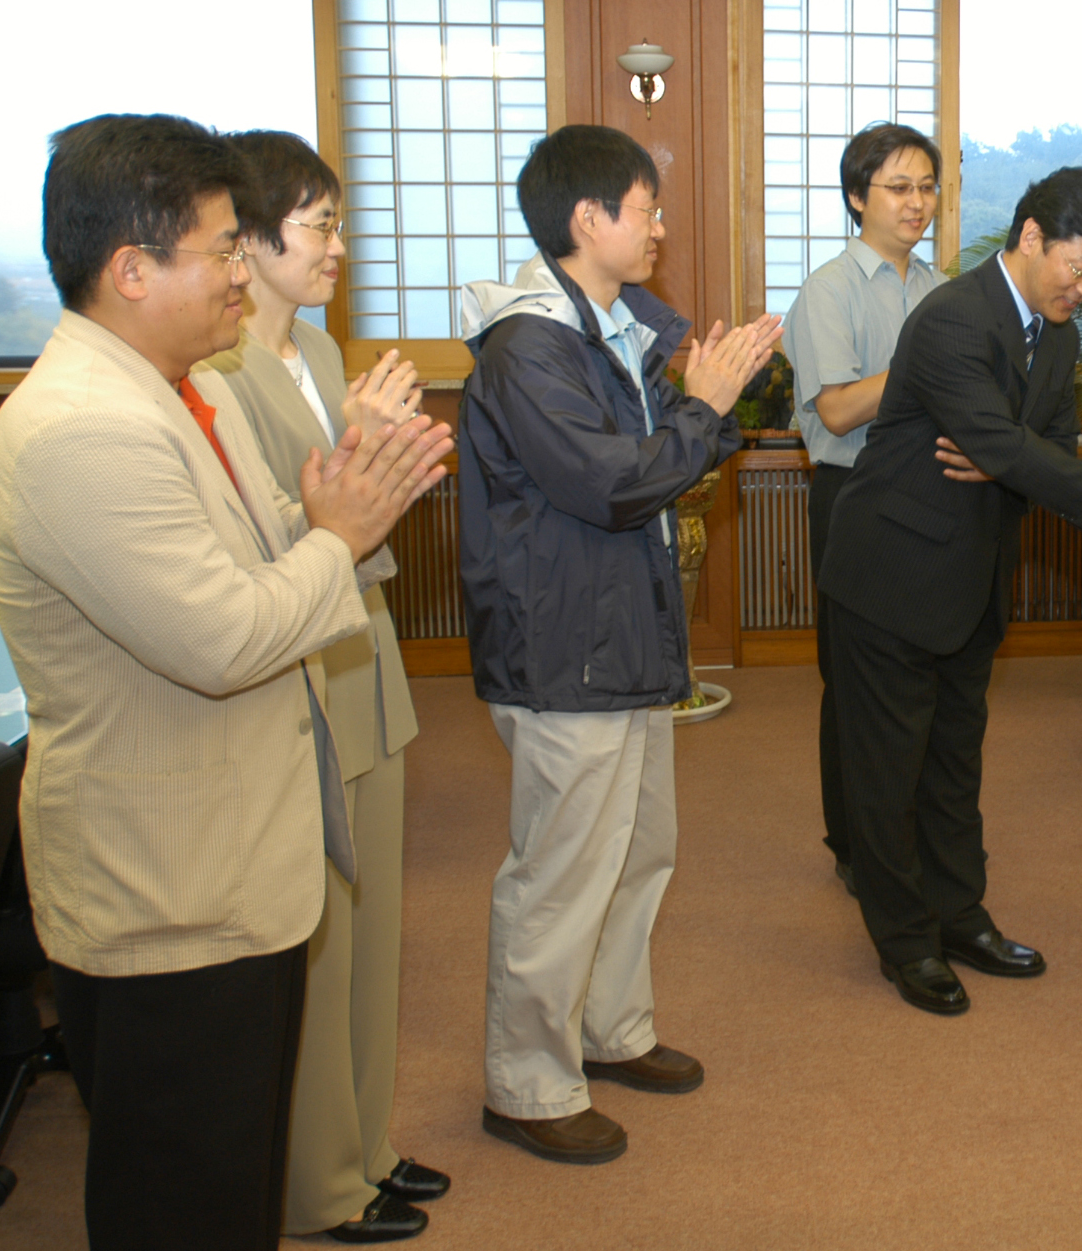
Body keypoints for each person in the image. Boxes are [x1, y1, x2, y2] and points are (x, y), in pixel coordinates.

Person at [0, 113, 452, 1249]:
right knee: (181, 1196)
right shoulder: (82, 429)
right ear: (131, 270)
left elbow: (256, 544)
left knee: (230, 1180)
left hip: (238, 871)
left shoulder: (177, 389)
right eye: (219, 248)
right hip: (167, 897)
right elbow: (230, 636)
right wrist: (337, 534)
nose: (244, 270)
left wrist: (330, 499)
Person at [457, 124, 780, 1164]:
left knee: (639, 854)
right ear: (587, 220)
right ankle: (527, 1084)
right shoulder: (529, 347)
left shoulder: (605, 328)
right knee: (560, 874)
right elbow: (613, 485)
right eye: (646, 209)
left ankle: (609, 1031)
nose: (661, 226)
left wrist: (712, 403)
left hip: (623, 643)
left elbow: (659, 456)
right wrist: (706, 404)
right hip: (565, 652)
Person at [818, 167, 1082, 1015]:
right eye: (1079, 267)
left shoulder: (1062, 331)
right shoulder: (952, 318)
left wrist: (1005, 454)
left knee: (955, 763)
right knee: (888, 773)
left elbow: (1046, 447)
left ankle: (962, 917)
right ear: (1031, 237)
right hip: (890, 575)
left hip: (972, 577)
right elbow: (1019, 447)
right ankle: (907, 943)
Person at [201, 129, 447, 1244]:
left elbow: (369, 519)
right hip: (294, 661)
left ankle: (369, 1144)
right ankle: (318, 1181)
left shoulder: (330, 355)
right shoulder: (215, 378)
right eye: (320, 224)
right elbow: (260, 548)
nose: (338, 245)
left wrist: (380, 463)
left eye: (338, 221)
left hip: (367, 649)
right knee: (317, 930)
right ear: (245, 245)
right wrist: (357, 468)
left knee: (375, 917)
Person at [781, 122, 946, 896]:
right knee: (851, 678)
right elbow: (841, 410)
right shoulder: (828, 288)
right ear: (857, 197)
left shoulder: (940, 289)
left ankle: (903, 823)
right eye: (899, 188)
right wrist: (919, 363)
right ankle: (851, 840)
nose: (918, 203)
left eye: (926, 187)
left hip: (930, 493)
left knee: (915, 673)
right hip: (851, 493)